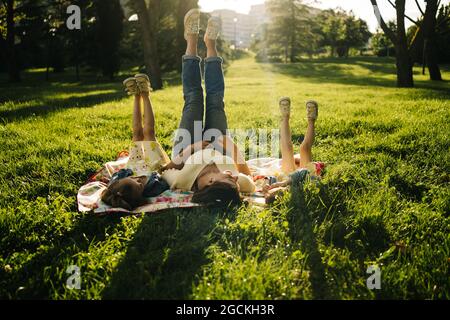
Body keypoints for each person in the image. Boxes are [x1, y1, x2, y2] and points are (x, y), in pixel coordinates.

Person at [160, 9, 256, 207]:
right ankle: (210, 44)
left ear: (211, 182)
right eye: (236, 182)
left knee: (194, 100)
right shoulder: (236, 184)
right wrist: (233, 149)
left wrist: (191, 149)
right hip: (219, 145)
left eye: (230, 179)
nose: (235, 178)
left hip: (187, 147)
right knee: (215, 100)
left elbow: (162, 172)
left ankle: (191, 40)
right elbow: (249, 180)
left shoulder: (184, 180)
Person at [101, 74, 171, 210]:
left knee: (137, 133)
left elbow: (120, 175)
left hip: (134, 164)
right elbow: (165, 182)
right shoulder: (152, 189)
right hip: (154, 165)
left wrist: (129, 175)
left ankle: (136, 95)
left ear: (119, 182)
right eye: (139, 186)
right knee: (149, 133)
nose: (139, 179)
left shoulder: (116, 184)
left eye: (134, 179)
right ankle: (145, 93)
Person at [259, 98, 322, 204]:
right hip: (305, 170)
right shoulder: (303, 190)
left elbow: (270, 177)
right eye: (277, 193)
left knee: (286, 147)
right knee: (304, 148)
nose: (275, 190)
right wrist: (285, 183)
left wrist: (265, 184)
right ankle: (311, 120)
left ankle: (285, 117)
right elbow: (305, 172)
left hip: (286, 171)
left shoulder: (274, 185)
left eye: (272, 192)